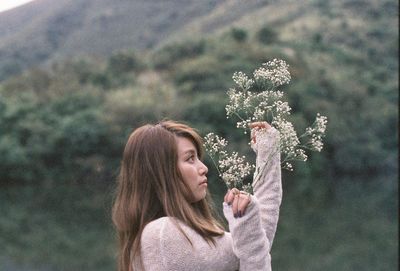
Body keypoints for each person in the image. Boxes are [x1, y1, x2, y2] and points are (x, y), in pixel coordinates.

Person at [112, 120, 282, 271]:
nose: (204, 168)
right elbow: (251, 252)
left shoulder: (168, 232)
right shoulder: (162, 234)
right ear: (161, 171)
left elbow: (255, 245)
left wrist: (268, 155)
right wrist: (245, 222)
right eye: (190, 159)